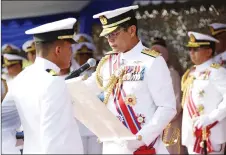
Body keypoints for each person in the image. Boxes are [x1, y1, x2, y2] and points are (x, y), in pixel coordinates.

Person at [71, 5, 176, 154]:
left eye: (115, 33)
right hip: (113, 147)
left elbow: (167, 107)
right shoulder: (108, 63)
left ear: (132, 30)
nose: (110, 39)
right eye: (107, 35)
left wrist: (141, 138)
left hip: (143, 146)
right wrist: (65, 89)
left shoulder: (152, 61)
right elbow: (88, 89)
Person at [1, 18, 83, 154]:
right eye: (69, 48)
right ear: (58, 50)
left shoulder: (21, 78)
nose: (71, 53)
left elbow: (3, 124)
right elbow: (56, 140)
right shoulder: (54, 82)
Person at [181, 31, 226, 154]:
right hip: (192, 133)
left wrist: (211, 118)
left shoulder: (217, 72)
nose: (191, 53)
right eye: (190, 49)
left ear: (209, 51)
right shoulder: (191, 72)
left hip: (210, 133)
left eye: (196, 49)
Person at [151, 37, 185, 154]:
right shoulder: (150, 74)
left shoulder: (171, 73)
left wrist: (161, 119)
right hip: (153, 124)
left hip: (169, 123)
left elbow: (177, 103)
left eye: (158, 54)